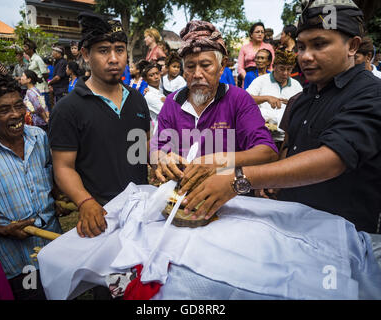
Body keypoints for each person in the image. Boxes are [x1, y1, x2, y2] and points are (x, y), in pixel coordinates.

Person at [179, 1, 381, 238]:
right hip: (289, 230)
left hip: (344, 239)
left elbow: (331, 159)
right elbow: (287, 150)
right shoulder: (301, 99)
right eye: (302, 46)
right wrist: (271, 181)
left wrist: (239, 178)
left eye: (319, 45)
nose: (305, 56)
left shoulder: (371, 94)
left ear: (352, 46)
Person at [49, 12, 151, 239]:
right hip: (102, 216)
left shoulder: (137, 99)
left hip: (142, 209)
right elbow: (63, 167)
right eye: (104, 50)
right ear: (85, 54)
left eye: (119, 50)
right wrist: (85, 201)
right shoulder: (67, 109)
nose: (114, 58)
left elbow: (143, 146)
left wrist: (163, 160)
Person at [150, 20, 278, 184]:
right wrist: (160, 158)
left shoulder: (239, 100)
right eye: (190, 66)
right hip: (178, 196)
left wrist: (220, 162)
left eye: (205, 65)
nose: (197, 74)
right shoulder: (172, 102)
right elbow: (155, 148)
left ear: (222, 65)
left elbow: (267, 152)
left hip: (228, 194)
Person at [0, 62, 62, 300]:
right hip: (13, 264)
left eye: (18, 105)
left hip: (54, 252)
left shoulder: (38, 137)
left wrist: (55, 199)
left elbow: (47, 183)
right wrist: (2, 230)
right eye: (4, 110)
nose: (16, 114)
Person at [247, 49, 303, 147]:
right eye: (282, 69)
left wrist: (293, 103)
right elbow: (245, 100)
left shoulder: (296, 85)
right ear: (274, 67)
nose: (285, 73)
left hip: (286, 138)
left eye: (289, 69)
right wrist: (266, 98)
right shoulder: (260, 81)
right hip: (262, 136)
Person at [237, 22, 275, 87]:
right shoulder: (244, 48)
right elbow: (240, 67)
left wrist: (266, 78)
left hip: (265, 78)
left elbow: (272, 66)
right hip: (248, 77)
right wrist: (247, 78)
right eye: (257, 32)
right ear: (251, 34)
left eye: (262, 32)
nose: (260, 34)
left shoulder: (268, 47)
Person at [23, 39, 50, 109]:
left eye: (25, 47)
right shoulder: (31, 59)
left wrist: (40, 80)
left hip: (41, 89)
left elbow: (45, 74)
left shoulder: (37, 59)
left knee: (44, 109)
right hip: (36, 88)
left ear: (31, 49)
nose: (24, 49)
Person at [142, 62, 166, 132]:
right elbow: (167, 112)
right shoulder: (149, 96)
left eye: (157, 73)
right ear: (146, 79)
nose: (156, 77)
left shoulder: (160, 91)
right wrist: (168, 101)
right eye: (151, 75)